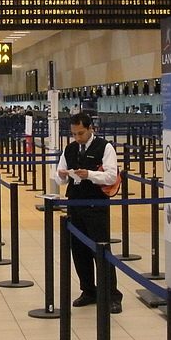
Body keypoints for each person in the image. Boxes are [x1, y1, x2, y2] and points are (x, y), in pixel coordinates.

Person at [56, 112, 122, 314]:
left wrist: (90, 175)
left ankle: (112, 295)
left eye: (81, 133)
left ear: (91, 128)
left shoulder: (105, 147)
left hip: (96, 205)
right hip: (75, 204)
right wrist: (61, 175)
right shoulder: (69, 149)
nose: (77, 138)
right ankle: (88, 291)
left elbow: (111, 176)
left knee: (100, 249)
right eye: (74, 134)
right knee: (79, 250)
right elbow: (60, 177)